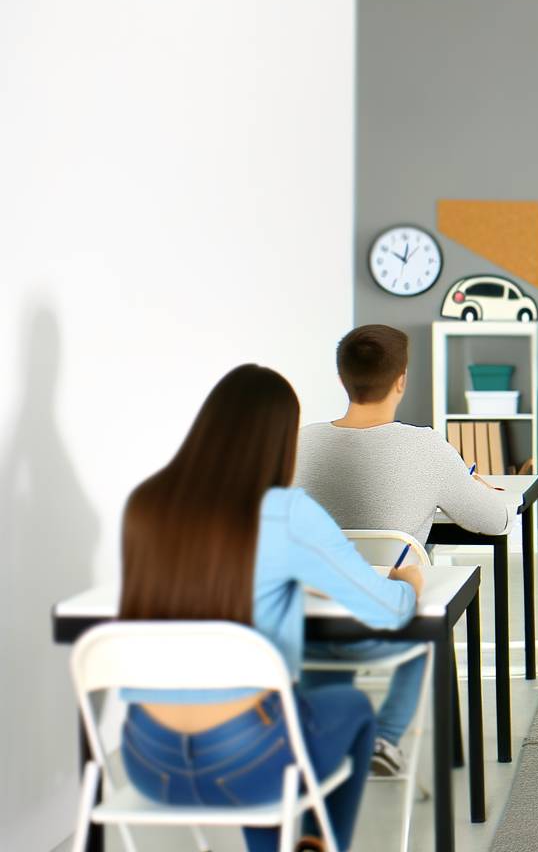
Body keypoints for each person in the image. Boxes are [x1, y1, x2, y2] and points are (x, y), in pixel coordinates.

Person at [118, 365, 420, 852]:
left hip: (148, 760)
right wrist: (408, 582)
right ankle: (321, 845)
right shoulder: (286, 512)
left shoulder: (146, 505)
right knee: (353, 710)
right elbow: (389, 612)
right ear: (281, 440)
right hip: (248, 760)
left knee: (274, 733)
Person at [294, 324, 514, 775]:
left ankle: (324, 734)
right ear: (401, 380)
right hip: (390, 629)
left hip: (308, 625)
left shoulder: (298, 443)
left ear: (342, 379)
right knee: (426, 601)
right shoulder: (424, 446)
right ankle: (386, 736)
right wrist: (474, 484)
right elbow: (495, 522)